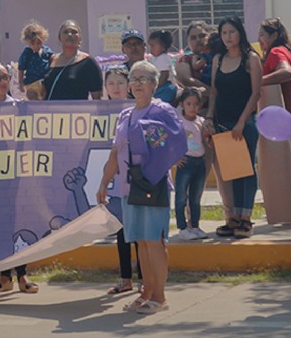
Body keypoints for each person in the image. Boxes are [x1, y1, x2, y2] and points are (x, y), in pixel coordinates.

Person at [98, 63, 176, 313]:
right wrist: (103, 184)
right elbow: (114, 154)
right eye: (135, 79)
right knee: (140, 241)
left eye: (145, 79)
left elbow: (173, 145)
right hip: (128, 187)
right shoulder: (125, 115)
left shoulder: (162, 110)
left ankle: (160, 297)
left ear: (154, 84)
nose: (139, 83)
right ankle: (147, 292)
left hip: (152, 185)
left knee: (154, 240)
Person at [0, 63, 38, 295]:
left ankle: (22, 274)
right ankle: (4, 277)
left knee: (17, 224)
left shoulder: (19, 107)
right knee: (0, 226)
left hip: (17, 173)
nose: (2, 81)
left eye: (5, 77)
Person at [207, 17, 263, 239]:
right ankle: (233, 218)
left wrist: (242, 122)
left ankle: (246, 218)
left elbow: (255, 93)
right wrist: (210, 118)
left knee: (247, 171)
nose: (228, 37)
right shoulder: (218, 60)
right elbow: (214, 91)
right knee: (231, 171)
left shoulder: (251, 59)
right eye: (224, 33)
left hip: (245, 123)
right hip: (222, 122)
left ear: (240, 32)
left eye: (232, 32)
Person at [253, 18, 291, 228]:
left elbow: (286, 72)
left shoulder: (276, 52)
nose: (260, 41)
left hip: (286, 114)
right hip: (289, 114)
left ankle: (284, 209)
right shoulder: (284, 49)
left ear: (274, 36)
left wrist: (259, 82)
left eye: (263, 36)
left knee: (281, 167)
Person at [171, 88, 210, 241]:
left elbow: (205, 141)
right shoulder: (179, 122)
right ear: (182, 105)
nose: (192, 107)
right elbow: (171, 141)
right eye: (188, 104)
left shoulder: (201, 121)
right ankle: (182, 227)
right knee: (181, 196)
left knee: (195, 196)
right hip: (185, 161)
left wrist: (208, 137)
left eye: (196, 104)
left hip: (200, 161)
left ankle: (194, 225)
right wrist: (174, 159)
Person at [39, 22, 102, 101]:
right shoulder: (50, 60)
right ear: (59, 37)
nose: (69, 34)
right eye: (65, 32)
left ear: (79, 38)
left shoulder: (88, 62)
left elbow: (97, 99)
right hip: (50, 112)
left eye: (74, 32)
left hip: (77, 112)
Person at [174, 23, 214, 95]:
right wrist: (213, 93)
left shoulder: (219, 56)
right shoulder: (185, 59)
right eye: (193, 38)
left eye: (202, 36)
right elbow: (186, 79)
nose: (198, 40)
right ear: (188, 42)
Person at [16, 23, 51, 97]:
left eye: (39, 43)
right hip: (31, 82)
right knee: (33, 100)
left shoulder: (46, 51)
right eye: (32, 43)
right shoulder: (27, 52)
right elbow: (21, 68)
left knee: (45, 100)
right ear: (27, 42)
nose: (36, 46)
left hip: (44, 82)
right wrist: (21, 83)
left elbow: (54, 59)